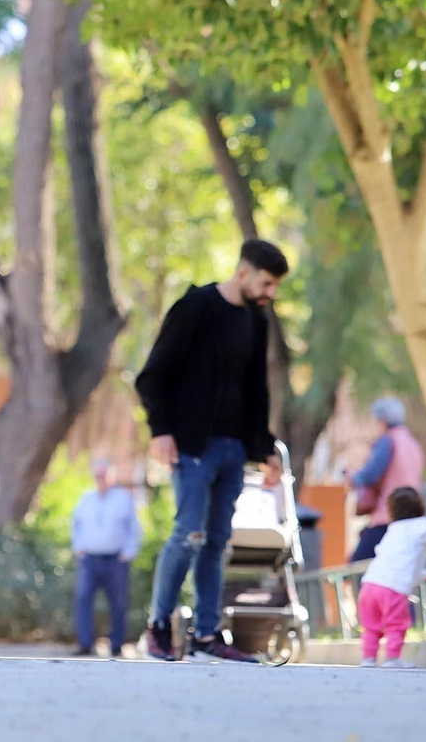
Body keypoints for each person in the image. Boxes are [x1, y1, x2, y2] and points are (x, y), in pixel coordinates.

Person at [136, 239, 289, 663]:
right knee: (188, 534)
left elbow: (256, 390)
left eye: (275, 286)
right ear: (243, 272)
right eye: (266, 283)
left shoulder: (256, 320)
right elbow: (152, 376)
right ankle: (158, 628)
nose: (270, 293)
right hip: (192, 445)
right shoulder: (195, 308)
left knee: (217, 542)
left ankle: (206, 636)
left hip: (233, 449)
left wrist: (265, 448)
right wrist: (161, 430)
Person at [357, 486, 426, 668]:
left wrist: (424, 575)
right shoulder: (419, 526)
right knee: (396, 624)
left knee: (371, 626)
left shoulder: (393, 529)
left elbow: (399, 560)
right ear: (420, 506)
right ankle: (392, 658)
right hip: (392, 588)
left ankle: (368, 659)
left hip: (370, 583)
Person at [70, 459, 142, 657]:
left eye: (104, 475)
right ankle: (85, 644)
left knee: (119, 604)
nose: (100, 479)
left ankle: (116, 645)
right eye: (97, 476)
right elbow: (75, 525)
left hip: (115, 560)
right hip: (89, 560)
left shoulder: (124, 499)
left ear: (112, 477)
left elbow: (134, 529)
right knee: (83, 599)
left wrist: (128, 553)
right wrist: (78, 548)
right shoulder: (86, 499)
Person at [348, 397, 425, 563]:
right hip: (411, 516)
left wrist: (353, 477)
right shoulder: (413, 443)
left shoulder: (388, 441)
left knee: (356, 565)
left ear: (382, 421)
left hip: (388, 516)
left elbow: (370, 474)